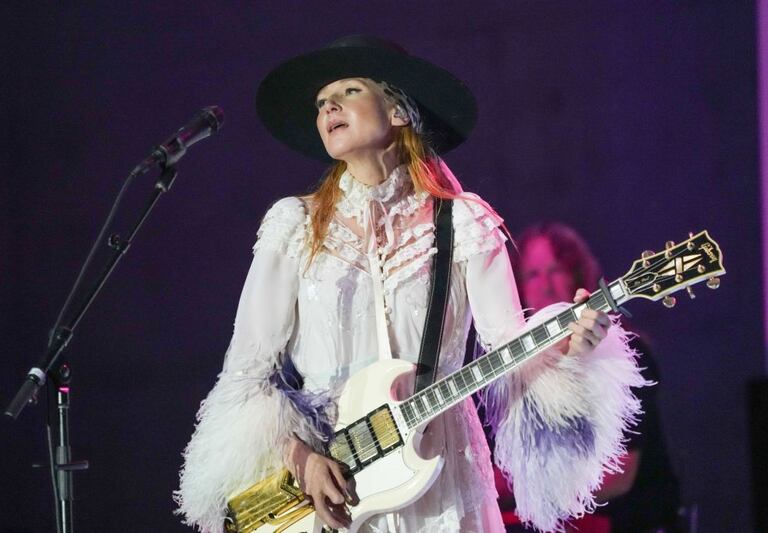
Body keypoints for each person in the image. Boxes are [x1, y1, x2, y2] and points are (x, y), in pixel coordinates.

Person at [173, 35, 645, 533]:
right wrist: (302, 460)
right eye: (320, 103)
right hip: (331, 483)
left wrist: (570, 345)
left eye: (349, 90)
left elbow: (508, 347)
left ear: (397, 110)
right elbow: (245, 379)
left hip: (442, 477)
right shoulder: (293, 225)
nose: (328, 105)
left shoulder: (463, 221)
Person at [497, 223, 681, 533]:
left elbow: (620, 472)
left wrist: (535, 492)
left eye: (555, 270)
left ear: (577, 276)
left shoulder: (625, 352)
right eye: (532, 274)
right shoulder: (516, 371)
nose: (545, 285)